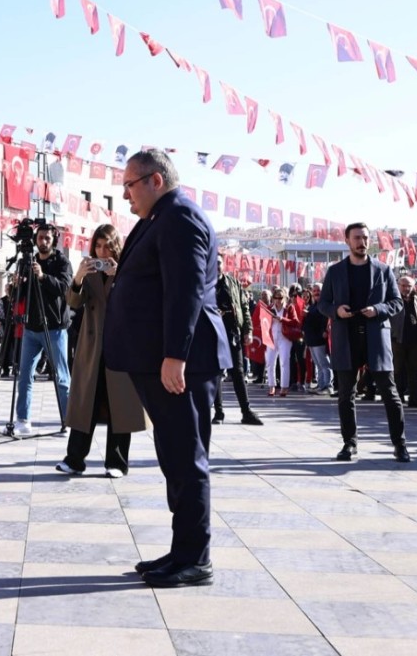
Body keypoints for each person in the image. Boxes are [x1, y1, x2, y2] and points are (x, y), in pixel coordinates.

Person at [104, 149, 230, 589]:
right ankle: (183, 551)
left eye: (129, 185)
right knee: (175, 457)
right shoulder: (160, 218)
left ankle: (195, 558)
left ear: (155, 180)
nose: (125, 196)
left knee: (186, 458)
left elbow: (186, 290)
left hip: (182, 363)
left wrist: (175, 354)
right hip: (162, 360)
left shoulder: (179, 217)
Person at [57, 225, 147, 478]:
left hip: (121, 346)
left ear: (116, 246)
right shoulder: (90, 272)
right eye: (98, 245)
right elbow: (73, 302)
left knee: (120, 404)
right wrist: (78, 278)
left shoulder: (128, 269)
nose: (102, 250)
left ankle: (117, 463)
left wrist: (122, 277)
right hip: (92, 346)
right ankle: (74, 459)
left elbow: (140, 301)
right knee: (86, 403)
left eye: (107, 245)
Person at [316, 222, 410, 463]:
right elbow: (323, 304)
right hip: (346, 338)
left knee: (390, 393)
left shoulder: (383, 270)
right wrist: (337, 311)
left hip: (376, 336)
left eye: (366, 238)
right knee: (346, 395)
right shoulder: (335, 272)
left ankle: (400, 444)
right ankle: (349, 443)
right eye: (357, 238)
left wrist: (377, 309)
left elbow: (396, 302)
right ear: (347, 241)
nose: (362, 242)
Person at [13, 224, 74, 437]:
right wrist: (17, 285)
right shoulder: (28, 262)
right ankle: (23, 419)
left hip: (55, 327)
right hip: (32, 327)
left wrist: (42, 277)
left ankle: (68, 421)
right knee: (24, 375)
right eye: (40, 237)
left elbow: (65, 288)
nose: (43, 241)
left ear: (53, 240)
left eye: (47, 238)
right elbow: (20, 297)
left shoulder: (62, 262)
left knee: (62, 377)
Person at [213, 255, 262, 425]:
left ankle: (246, 411)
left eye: (219, 263)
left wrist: (247, 330)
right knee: (217, 373)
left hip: (233, 332)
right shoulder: (204, 283)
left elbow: (244, 308)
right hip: (214, 333)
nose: (217, 266)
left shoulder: (233, 283)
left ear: (223, 265)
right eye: (213, 263)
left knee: (238, 373)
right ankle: (218, 413)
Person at [390, 275, 417, 405]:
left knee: (414, 370)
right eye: (403, 285)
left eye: (409, 286)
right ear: (398, 286)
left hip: (414, 341)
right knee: (397, 370)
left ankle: (414, 398)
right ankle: (397, 398)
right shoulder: (393, 300)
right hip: (397, 339)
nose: (406, 288)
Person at [305, 282, 333, 395]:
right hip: (311, 339)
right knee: (318, 364)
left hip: (320, 339)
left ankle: (328, 385)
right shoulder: (312, 305)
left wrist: (326, 331)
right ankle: (321, 385)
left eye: (318, 290)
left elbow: (327, 320)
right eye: (314, 290)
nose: (316, 292)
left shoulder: (325, 304)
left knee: (324, 364)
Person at [263, 288, 291, 396]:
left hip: (284, 338)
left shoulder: (288, 308)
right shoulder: (270, 308)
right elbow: (264, 323)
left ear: (284, 298)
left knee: (284, 362)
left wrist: (282, 319)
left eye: (280, 298)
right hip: (272, 337)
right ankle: (271, 386)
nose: (278, 300)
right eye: (276, 297)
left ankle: (284, 387)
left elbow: (295, 321)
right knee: (270, 362)